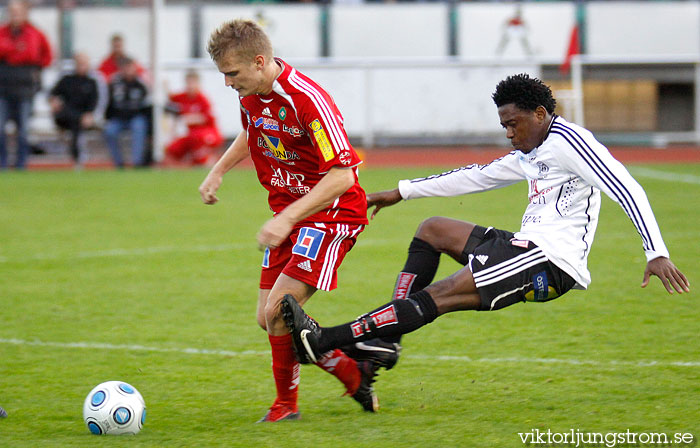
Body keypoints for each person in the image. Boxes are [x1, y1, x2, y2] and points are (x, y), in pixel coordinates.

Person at [282, 73, 690, 377]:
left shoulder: (570, 143)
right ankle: (386, 342)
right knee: (433, 229)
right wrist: (400, 191)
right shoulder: (532, 148)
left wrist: (656, 252)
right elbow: (475, 176)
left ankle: (322, 341)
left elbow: (625, 186)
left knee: (441, 293)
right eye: (504, 127)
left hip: (550, 262)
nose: (510, 134)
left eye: (514, 125)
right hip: (525, 246)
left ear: (541, 113)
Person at [199, 19, 400, 422]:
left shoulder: (306, 100)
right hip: (292, 216)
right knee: (267, 319)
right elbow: (252, 132)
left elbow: (344, 174)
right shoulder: (252, 94)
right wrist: (218, 169)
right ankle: (350, 369)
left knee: (278, 312)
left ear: (259, 62)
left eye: (232, 74)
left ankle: (285, 409)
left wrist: (287, 217)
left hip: (332, 215)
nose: (228, 83)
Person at [0, 0, 52, 169]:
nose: (15, 15)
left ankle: (21, 164)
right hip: (3, 88)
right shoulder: (2, 32)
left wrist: (12, 54)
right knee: (1, 128)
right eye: (12, 12)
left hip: (25, 89)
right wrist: (17, 51)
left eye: (18, 12)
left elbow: (45, 56)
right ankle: (3, 163)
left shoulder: (35, 33)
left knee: (23, 130)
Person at [49, 52, 99, 167]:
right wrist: (53, 101)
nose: (81, 66)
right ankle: (77, 158)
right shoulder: (67, 80)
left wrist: (90, 115)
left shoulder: (92, 82)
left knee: (77, 123)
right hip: (65, 116)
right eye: (79, 63)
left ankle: (77, 158)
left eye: (84, 63)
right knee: (74, 118)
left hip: (82, 118)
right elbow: (52, 93)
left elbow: (95, 102)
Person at [165, 70, 223, 166]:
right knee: (172, 148)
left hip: (207, 133)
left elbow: (208, 118)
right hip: (192, 135)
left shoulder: (203, 99)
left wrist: (191, 118)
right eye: (188, 83)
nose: (190, 86)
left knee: (198, 141)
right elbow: (170, 97)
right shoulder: (182, 96)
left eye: (192, 83)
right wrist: (165, 82)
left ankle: (208, 162)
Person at [104, 58, 149, 168]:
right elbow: (108, 102)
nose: (128, 70)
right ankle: (118, 163)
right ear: (121, 69)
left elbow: (147, 103)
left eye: (130, 67)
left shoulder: (141, 83)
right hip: (118, 118)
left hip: (135, 118)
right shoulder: (114, 83)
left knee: (139, 126)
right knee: (109, 131)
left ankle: (136, 163)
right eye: (126, 68)